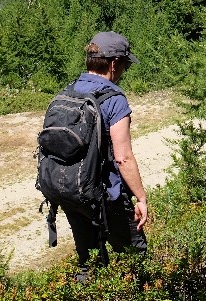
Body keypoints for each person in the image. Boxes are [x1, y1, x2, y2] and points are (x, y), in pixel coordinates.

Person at [63, 31, 148, 279]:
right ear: (113, 64)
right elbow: (123, 158)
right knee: (135, 256)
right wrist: (140, 198)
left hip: (71, 192)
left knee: (87, 260)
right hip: (104, 195)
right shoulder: (114, 99)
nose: (124, 71)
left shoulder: (69, 91)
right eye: (125, 64)